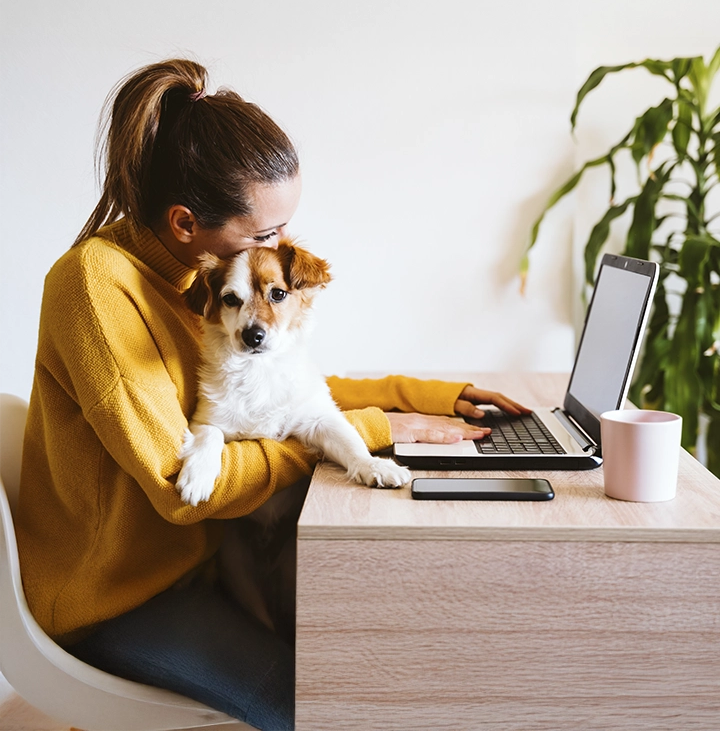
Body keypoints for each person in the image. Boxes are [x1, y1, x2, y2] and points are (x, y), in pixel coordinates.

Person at [16, 59, 529, 731]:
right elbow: (179, 487)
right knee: (320, 701)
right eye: (264, 235)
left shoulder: (187, 281)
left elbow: (281, 391)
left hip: (197, 566)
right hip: (119, 596)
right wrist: (357, 436)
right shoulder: (97, 287)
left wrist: (431, 397)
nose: (280, 249)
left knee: (382, 644)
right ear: (183, 224)